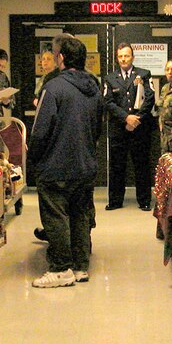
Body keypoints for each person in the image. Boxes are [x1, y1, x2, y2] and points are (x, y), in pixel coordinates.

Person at [28, 35, 102, 288]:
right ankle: (80, 265)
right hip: (86, 164)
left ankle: (61, 269)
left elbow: (40, 130)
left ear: (60, 58)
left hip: (56, 165)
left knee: (56, 216)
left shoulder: (54, 87)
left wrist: (34, 159)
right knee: (81, 214)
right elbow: (97, 127)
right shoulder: (94, 87)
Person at [102, 43, 155, 211]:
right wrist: (126, 118)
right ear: (117, 58)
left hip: (140, 129)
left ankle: (144, 200)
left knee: (142, 166)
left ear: (132, 57)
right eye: (120, 56)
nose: (123, 59)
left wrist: (136, 119)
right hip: (119, 129)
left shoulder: (144, 74)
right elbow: (107, 102)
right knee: (117, 167)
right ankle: (115, 201)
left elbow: (150, 98)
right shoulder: (110, 78)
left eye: (126, 56)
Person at [32, 49, 60, 243]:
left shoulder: (55, 82)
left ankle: (56, 236)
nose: (44, 62)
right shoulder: (43, 80)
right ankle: (51, 231)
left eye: (49, 59)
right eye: (42, 59)